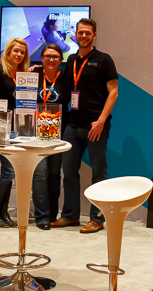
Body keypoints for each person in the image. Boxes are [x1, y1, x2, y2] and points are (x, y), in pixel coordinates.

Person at [50, 18, 119, 234]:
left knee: (98, 173)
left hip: (95, 126)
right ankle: (70, 216)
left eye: (88, 33)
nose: (83, 36)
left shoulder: (104, 60)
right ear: (75, 34)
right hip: (73, 125)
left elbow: (113, 92)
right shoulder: (71, 59)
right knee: (69, 172)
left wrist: (100, 121)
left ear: (94, 36)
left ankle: (97, 219)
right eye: (80, 32)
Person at [0, 38, 30, 228]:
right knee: (9, 170)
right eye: (16, 51)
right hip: (2, 128)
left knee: (9, 170)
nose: (19, 55)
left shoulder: (23, 74)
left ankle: (2, 213)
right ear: (8, 51)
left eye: (22, 52)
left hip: (19, 129)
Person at [31, 44, 68, 230]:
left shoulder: (67, 78)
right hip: (36, 134)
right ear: (41, 58)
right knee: (39, 174)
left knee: (54, 174)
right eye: (47, 56)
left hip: (58, 135)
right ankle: (42, 217)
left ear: (61, 59)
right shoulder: (34, 75)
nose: (51, 60)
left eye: (55, 56)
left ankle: (53, 214)